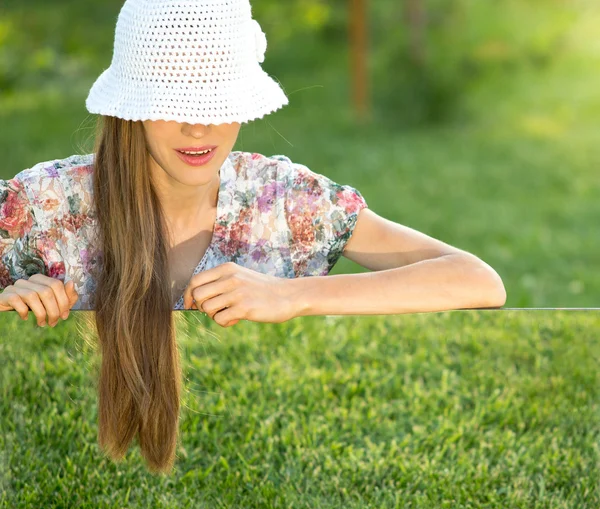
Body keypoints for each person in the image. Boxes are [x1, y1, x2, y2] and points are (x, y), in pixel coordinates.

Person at [0, 0, 506, 476]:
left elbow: (477, 281)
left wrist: (290, 295)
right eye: (173, 98)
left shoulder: (283, 202)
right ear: (131, 105)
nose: (199, 125)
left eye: (218, 97)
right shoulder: (46, 206)